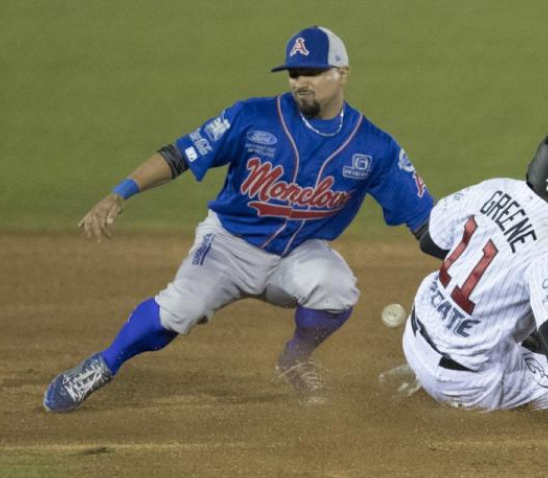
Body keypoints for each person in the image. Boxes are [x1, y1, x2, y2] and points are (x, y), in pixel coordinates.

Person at [44, 26, 436, 411]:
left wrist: (473, 254)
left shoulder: (375, 146)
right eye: (295, 73)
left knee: (336, 287)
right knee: (179, 310)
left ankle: (295, 359)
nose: (301, 81)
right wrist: (120, 192)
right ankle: (102, 365)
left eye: (313, 72)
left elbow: (425, 223)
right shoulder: (252, 117)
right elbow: (181, 155)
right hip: (229, 244)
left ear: (342, 73)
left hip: (299, 254)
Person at [397, 127, 548, 432]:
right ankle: (446, 390)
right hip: (462, 386)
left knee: (527, 326)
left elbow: (430, 240)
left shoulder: (495, 187)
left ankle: (419, 369)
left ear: (535, 165)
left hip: (413, 339)